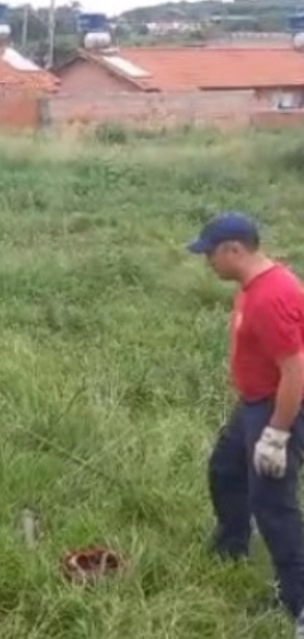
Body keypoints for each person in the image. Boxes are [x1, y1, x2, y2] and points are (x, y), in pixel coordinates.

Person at [187, 212, 304, 631]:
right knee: (225, 468)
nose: (208, 263)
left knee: (273, 505)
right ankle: (233, 544)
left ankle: (299, 603)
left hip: (279, 407)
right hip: (256, 401)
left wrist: (276, 434)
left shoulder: (270, 297)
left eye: (210, 255)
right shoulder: (255, 285)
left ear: (234, 250)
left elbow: (296, 372)